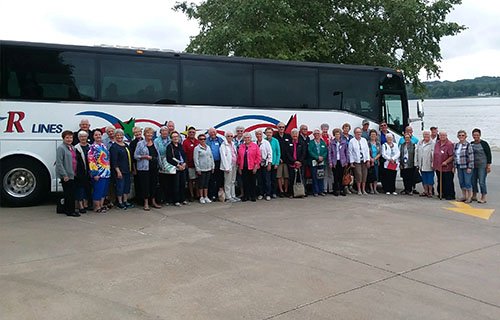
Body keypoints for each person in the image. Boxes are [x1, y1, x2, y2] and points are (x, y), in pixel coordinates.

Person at [134, 127, 161, 211]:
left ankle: (153, 201)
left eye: (151, 133)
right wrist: (144, 157)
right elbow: (135, 156)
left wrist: (160, 164)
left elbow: (158, 155)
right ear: (144, 134)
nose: (150, 135)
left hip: (154, 167)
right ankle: (146, 203)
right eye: (148, 133)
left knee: (153, 185)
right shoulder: (140, 144)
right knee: (145, 186)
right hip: (144, 168)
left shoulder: (155, 143)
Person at [56, 130, 79, 217]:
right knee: (69, 194)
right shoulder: (61, 148)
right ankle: (70, 211)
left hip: (73, 174)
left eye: (71, 137)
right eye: (67, 137)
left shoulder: (72, 147)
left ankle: (68, 209)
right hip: (67, 175)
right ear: (63, 138)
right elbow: (59, 163)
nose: (69, 139)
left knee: (71, 193)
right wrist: (64, 175)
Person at [109, 129, 133, 209]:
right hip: (120, 171)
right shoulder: (114, 147)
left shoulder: (126, 145)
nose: (119, 136)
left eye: (121, 135)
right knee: (120, 187)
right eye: (118, 135)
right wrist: (118, 171)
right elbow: (114, 161)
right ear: (115, 136)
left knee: (126, 186)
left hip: (127, 170)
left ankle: (125, 201)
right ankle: (120, 202)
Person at [88, 130, 111, 212]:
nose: (98, 136)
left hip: (106, 172)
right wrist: (95, 173)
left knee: (104, 191)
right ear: (93, 136)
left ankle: (101, 205)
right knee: (98, 190)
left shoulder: (103, 146)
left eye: (99, 134)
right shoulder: (92, 147)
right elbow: (91, 161)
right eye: (96, 135)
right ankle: (97, 207)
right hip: (98, 173)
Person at [237, 132, 261, 202]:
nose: (247, 139)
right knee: (245, 182)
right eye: (245, 138)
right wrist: (239, 167)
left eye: (248, 137)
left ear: (250, 138)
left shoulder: (255, 146)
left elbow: (258, 156)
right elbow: (239, 157)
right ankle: (246, 196)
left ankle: (253, 196)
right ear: (243, 139)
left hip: (252, 167)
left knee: (253, 182)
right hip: (243, 167)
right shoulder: (241, 146)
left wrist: (256, 166)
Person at [166, 131, 188, 206]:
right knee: (176, 184)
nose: (175, 138)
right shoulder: (169, 146)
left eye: (176, 136)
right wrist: (178, 165)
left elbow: (184, 155)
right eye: (174, 137)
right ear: (171, 138)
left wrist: (184, 163)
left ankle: (183, 199)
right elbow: (169, 158)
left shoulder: (180, 145)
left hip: (183, 167)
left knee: (183, 183)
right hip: (176, 168)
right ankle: (176, 200)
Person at [470, 128, 492, 203]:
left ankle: (483, 196)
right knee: (473, 181)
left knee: (481, 181)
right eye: (474, 135)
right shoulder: (471, 143)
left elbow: (489, 154)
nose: (475, 136)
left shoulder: (484, 144)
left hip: (482, 165)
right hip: (473, 165)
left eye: (477, 135)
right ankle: (474, 195)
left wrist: (488, 165)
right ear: (472, 135)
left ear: (480, 135)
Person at [284, 129, 307, 198]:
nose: (294, 135)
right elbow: (287, 153)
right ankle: (292, 193)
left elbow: (304, 153)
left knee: (301, 178)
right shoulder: (288, 143)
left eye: (296, 134)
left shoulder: (302, 142)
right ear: (291, 135)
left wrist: (299, 161)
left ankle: (302, 192)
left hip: (300, 164)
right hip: (291, 164)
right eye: (293, 134)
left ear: (298, 134)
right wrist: (294, 161)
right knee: (291, 179)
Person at [433, 131, 455, 200]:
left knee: (448, 181)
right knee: (440, 180)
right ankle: (441, 193)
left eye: (443, 135)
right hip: (438, 166)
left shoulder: (449, 144)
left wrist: (446, 162)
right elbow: (435, 154)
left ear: (446, 136)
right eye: (441, 135)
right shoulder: (437, 143)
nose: (442, 137)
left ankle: (450, 195)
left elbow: (452, 156)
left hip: (447, 167)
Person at [348, 127, 371, 195]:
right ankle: (359, 190)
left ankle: (363, 190)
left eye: (360, 132)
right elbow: (350, 152)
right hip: (356, 161)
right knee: (359, 175)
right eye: (357, 133)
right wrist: (351, 162)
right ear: (355, 133)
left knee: (364, 175)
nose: (359, 134)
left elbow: (367, 151)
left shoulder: (364, 140)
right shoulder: (352, 141)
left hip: (364, 160)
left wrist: (368, 160)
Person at [194, 134, 215, 204]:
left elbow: (211, 157)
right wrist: (198, 168)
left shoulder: (208, 147)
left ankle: (206, 196)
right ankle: (201, 197)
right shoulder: (197, 148)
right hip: (201, 169)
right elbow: (196, 159)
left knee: (206, 183)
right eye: (201, 139)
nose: (203, 140)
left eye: (204, 139)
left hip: (208, 168)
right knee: (201, 183)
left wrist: (213, 166)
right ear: (198, 140)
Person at [454, 130, 474, 203]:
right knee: (461, 181)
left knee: (467, 182)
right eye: (460, 135)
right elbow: (455, 157)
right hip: (459, 166)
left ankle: (469, 197)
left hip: (466, 166)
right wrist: (454, 166)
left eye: (463, 135)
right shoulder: (456, 145)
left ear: (465, 136)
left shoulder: (468, 145)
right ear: (457, 136)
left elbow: (471, 157)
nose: (461, 137)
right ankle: (464, 196)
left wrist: (470, 167)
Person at [74, 130, 92, 213]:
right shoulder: (76, 148)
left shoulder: (91, 147)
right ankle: (81, 206)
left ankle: (86, 204)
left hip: (90, 172)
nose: (83, 138)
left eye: (84, 136)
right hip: (80, 172)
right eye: (81, 137)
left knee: (87, 189)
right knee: (80, 189)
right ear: (78, 138)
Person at [329, 128, 350, 196]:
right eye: (336, 134)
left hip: (342, 161)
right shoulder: (331, 143)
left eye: (338, 134)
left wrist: (347, 161)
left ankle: (341, 190)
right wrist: (330, 162)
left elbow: (346, 152)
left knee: (341, 176)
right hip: (335, 161)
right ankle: (336, 190)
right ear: (334, 135)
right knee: (335, 176)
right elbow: (330, 153)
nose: (337, 135)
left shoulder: (344, 142)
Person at [220, 131, 239, 202]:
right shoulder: (223, 145)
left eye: (231, 136)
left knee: (233, 181)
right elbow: (223, 157)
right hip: (228, 166)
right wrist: (226, 167)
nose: (230, 137)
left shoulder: (233, 144)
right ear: (225, 137)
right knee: (228, 182)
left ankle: (233, 195)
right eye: (228, 136)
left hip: (234, 164)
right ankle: (228, 197)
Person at [274, 122, 292, 197]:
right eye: (280, 127)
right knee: (279, 176)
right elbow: (275, 150)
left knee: (286, 176)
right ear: (277, 128)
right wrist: (279, 158)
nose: (281, 128)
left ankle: (286, 190)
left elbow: (290, 148)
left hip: (287, 160)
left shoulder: (288, 136)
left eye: (283, 127)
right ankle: (281, 191)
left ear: (284, 128)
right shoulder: (275, 137)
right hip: (279, 160)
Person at [415, 131, 435, 198]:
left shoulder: (432, 143)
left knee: (430, 179)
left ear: (430, 135)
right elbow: (416, 153)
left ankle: (430, 192)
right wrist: (416, 163)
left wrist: (433, 163)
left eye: (427, 134)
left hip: (429, 164)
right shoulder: (420, 143)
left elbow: (434, 154)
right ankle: (425, 191)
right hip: (421, 164)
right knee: (424, 178)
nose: (426, 136)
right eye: (425, 134)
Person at [155, 126, 172, 204]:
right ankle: (162, 198)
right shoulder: (156, 141)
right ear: (160, 132)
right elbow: (157, 153)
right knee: (162, 182)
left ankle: (169, 198)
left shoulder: (170, 140)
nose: (165, 132)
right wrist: (160, 163)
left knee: (170, 182)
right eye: (163, 131)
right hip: (161, 162)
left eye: (166, 131)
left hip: (170, 163)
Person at [308, 129, 328, 196]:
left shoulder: (323, 142)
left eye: (318, 134)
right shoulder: (311, 142)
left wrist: (322, 157)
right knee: (314, 176)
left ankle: (321, 190)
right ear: (313, 135)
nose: (317, 135)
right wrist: (317, 157)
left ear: (320, 134)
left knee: (321, 176)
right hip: (314, 161)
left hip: (322, 161)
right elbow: (310, 151)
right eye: (315, 134)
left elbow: (326, 151)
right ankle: (315, 191)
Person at [206, 127, 224, 201]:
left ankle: (219, 195)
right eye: (211, 132)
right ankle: (212, 195)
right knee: (211, 179)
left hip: (219, 162)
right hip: (210, 162)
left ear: (216, 133)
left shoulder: (220, 140)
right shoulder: (207, 141)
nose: (213, 133)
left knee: (220, 178)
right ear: (209, 133)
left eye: (214, 132)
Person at [183, 126, 199, 201]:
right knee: (191, 180)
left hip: (198, 165)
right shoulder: (185, 142)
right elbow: (184, 154)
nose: (192, 133)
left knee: (197, 180)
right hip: (190, 164)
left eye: (193, 132)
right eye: (190, 132)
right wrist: (185, 164)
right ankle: (191, 195)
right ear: (188, 133)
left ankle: (198, 194)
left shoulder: (197, 141)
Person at [256, 129, 273, 201]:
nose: (258, 135)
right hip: (258, 164)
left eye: (260, 134)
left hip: (265, 163)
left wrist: (269, 163)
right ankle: (261, 193)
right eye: (257, 134)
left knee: (267, 180)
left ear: (262, 135)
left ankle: (268, 194)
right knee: (259, 180)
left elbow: (270, 153)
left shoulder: (266, 143)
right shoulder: (254, 143)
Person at [129, 126, 143, 204]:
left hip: (145, 166)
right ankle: (139, 199)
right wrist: (134, 168)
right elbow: (132, 157)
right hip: (137, 165)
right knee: (138, 183)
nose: (138, 134)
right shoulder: (133, 143)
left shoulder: (146, 141)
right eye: (136, 133)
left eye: (139, 132)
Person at [265, 127, 281, 199]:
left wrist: (277, 163)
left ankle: (274, 192)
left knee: (273, 179)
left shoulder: (275, 141)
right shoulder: (264, 141)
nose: (269, 134)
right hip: (266, 163)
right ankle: (268, 193)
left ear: (272, 133)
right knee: (267, 179)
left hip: (274, 163)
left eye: (270, 132)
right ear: (265, 133)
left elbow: (278, 153)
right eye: (267, 132)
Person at [320, 123, 333, 194]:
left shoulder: (331, 137)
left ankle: (330, 189)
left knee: (330, 173)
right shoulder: (320, 137)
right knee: (324, 174)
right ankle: (324, 189)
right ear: (322, 129)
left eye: (326, 129)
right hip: (323, 158)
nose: (325, 130)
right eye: (324, 129)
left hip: (330, 158)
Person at [367, 129, 381, 194]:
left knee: (376, 176)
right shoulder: (368, 143)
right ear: (370, 135)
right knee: (370, 176)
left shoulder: (378, 143)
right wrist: (371, 159)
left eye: (374, 135)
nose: (373, 136)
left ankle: (375, 189)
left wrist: (374, 159)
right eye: (372, 134)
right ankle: (371, 189)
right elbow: (366, 152)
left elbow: (380, 153)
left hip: (376, 161)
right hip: (369, 161)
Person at [234, 125, 245, 198]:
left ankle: (245, 193)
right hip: (235, 161)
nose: (240, 132)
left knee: (244, 178)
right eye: (238, 131)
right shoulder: (233, 140)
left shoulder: (245, 140)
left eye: (241, 131)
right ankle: (240, 193)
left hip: (243, 162)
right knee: (238, 178)